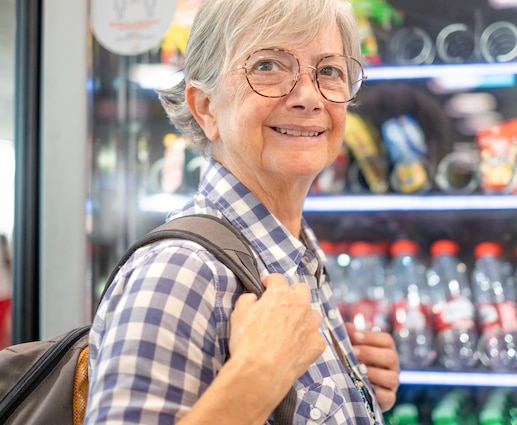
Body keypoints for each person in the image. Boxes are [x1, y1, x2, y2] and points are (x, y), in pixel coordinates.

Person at [85, 0, 400, 424]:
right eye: (268, 66)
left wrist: (353, 391)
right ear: (205, 107)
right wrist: (259, 377)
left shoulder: (293, 253)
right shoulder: (179, 272)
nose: (308, 97)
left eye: (329, 71)